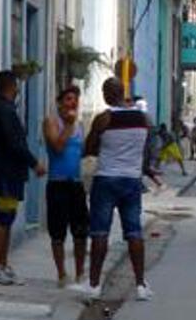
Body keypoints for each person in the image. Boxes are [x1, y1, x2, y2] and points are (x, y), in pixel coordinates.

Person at [74, 77, 154, 302]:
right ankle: (140, 285)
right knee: (134, 232)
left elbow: (89, 148)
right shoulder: (143, 119)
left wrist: (102, 145)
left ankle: (94, 285)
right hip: (131, 180)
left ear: (108, 94)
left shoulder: (104, 118)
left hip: (106, 179)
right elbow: (147, 150)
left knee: (100, 232)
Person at [0, 71, 47, 285]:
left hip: (7, 173)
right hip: (5, 173)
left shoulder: (1, 109)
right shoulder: (3, 111)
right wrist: (33, 162)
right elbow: (14, 143)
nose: (18, 90)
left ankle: (2, 263)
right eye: (16, 87)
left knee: (8, 215)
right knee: (4, 216)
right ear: (10, 87)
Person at [43, 86, 88, 287]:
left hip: (76, 184)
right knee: (58, 232)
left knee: (80, 231)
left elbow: (83, 152)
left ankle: (80, 273)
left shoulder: (80, 126)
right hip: (57, 183)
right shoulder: (52, 122)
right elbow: (58, 148)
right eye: (69, 99)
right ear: (60, 102)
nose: (73, 103)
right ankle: (62, 274)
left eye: (76, 99)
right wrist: (68, 126)